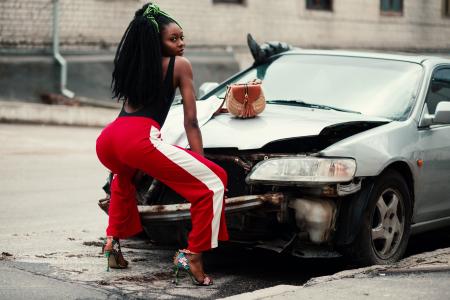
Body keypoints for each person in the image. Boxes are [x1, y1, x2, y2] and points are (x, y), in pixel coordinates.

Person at [96, 2, 228, 286]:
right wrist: (201, 162)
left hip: (109, 140)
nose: (181, 44)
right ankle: (192, 255)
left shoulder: (136, 68)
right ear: (157, 42)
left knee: (124, 178)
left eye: (182, 37)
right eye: (173, 39)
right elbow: (190, 122)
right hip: (137, 139)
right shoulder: (180, 66)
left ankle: (111, 244)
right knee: (215, 182)